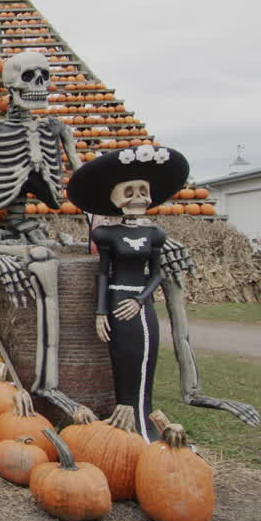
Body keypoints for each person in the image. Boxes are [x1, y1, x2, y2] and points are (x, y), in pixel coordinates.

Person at [67, 144, 189, 440]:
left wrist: (140, 299)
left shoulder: (154, 234)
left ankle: (145, 425)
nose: (137, 198)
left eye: (143, 191)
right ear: (114, 197)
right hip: (116, 301)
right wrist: (99, 312)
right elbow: (102, 274)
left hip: (139, 303)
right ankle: (124, 421)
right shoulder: (106, 234)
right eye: (129, 191)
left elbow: (157, 273)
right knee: (122, 361)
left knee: (145, 359)